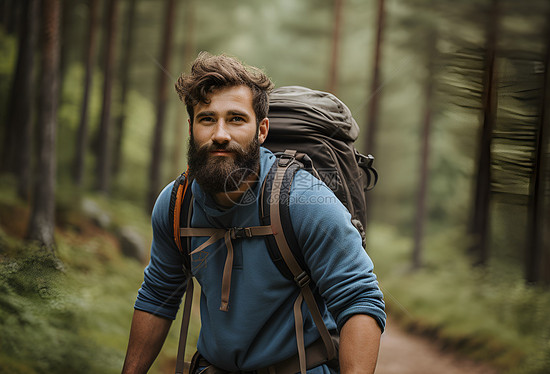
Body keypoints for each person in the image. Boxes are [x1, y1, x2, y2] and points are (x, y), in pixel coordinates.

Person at [122, 52, 386, 374]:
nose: (221, 133)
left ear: (261, 131)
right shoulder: (177, 204)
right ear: (191, 127)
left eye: (236, 119)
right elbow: (157, 295)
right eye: (207, 119)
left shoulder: (305, 202)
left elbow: (359, 300)